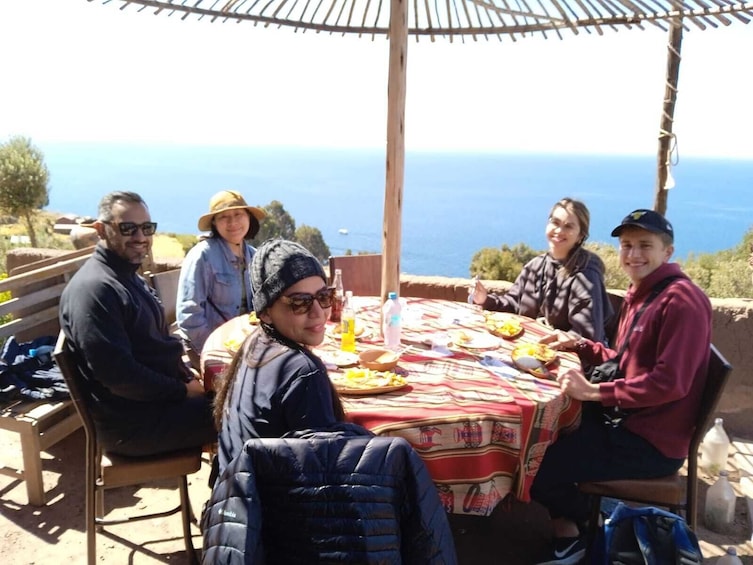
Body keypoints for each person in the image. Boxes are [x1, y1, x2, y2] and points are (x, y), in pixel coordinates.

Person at [529, 209, 712, 565]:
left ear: (667, 252)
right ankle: (590, 516)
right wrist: (578, 344)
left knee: (535, 464)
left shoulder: (682, 302)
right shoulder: (645, 292)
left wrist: (594, 392)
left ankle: (577, 533)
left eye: (645, 245)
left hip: (651, 441)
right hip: (628, 420)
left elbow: (669, 383)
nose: (633, 254)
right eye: (627, 245)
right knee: (546, 434)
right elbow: (624, 359)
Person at [59, 191, 216, 457]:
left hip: (150, 406)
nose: (140, 237)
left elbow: (151, 347)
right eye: (128, 228)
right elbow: (119, 376)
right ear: (101, 230)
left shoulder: (126, 277)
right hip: (131, 426)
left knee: (239, 397)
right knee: (246, 412)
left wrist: (184, 375)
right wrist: (181, 390)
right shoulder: (96, 291)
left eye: (147, 228)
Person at [213, 238, 346, 477]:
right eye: (300, 303)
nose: (318, 313)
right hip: (270, 509)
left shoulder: (254, 344)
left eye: (324, 296)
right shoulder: (303, 372)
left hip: (237, 497)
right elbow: (326, 479)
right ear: (265, 312)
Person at [469, 197, 613, 344]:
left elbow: (586, 334)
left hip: (568, 358)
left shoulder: (586, 276)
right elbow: (513, 304)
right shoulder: (536, 266)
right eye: (555, 222)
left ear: (580, 236)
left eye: (568, 226)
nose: (559, 230)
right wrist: (485, 299)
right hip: (530, 348)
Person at [176, 190, 266, 355]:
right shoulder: (202, 256)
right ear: (215, 224)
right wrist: (215, 349)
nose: (232, 222)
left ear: (248, 218)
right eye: (223, 217)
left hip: (248, 344)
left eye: (238, 214)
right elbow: (189, 315)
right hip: (208, 347)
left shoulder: (254, 256)